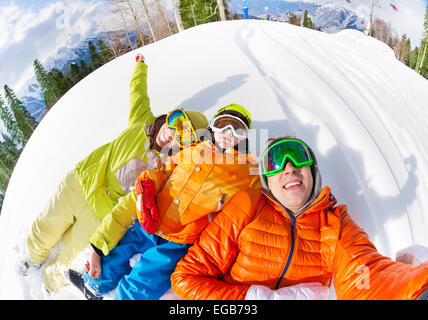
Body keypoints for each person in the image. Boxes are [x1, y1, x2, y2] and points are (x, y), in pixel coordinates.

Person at [16, 53, 208, 293]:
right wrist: (140, 66)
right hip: (82, 180)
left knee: (70, 255)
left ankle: (46, 284)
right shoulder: (143, 123)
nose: (172, 134)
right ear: (170, 116)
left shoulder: (165, 172)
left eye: (183, 135)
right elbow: (138, 94)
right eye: (177, 122)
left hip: (100, 213)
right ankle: (33, 257)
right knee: (46, 225)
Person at [171, 136, 428, 300]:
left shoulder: (335, 222)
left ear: (312, 171)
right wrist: (252, 298)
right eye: (275, 162)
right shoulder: (247, 205)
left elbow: (365, 272)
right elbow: (186, 277)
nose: (289, 167)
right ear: (266, 180)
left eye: (297, 156)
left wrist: (415, 287)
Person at [71, 104, 262, 300]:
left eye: (237, 129)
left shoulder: (246, 171)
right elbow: (163, 172)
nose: (228, 134)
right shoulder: (193, 150)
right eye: (223, 125)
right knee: (116, 256)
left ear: (244, 137)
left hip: (180, 238)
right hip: (151, 218)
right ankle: (93, 286)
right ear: (213, 126)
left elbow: (260, 195)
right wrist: (147, 186)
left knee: (147, 278)